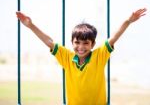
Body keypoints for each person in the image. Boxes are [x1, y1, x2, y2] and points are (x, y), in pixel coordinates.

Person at [16, 8, 147, 105]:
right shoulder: (67, 57)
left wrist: (128, 21)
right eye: (77, 42)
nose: (81, 47)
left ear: (93, 44)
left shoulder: (99, 56)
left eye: (86, 43)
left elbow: (114, 38)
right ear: (72, 42)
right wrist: (31, 26)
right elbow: (49, 42)